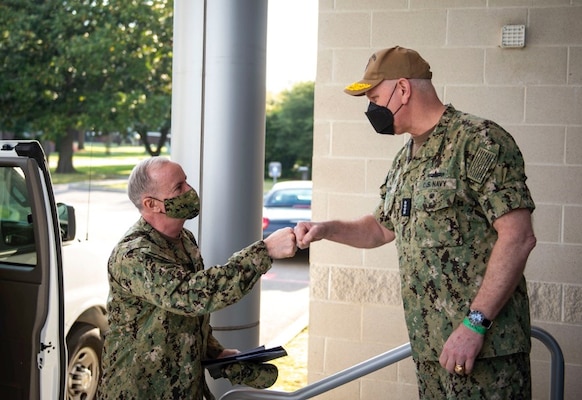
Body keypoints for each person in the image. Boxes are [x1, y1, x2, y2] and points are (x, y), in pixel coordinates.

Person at [294, 46, 537, 399]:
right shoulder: (406, 158)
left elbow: (518, 237)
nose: (371, 109)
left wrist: (474, 324)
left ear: (403, 90)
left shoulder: (478, 140)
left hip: (485, 351)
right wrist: (326, 230)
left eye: (375, 97)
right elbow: (380, 228)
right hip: (431, 349)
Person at [98, 157, 297, 400]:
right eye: (179, 187)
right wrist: (264, 251)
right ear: (152, 204)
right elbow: (193, 296)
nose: (190, 191)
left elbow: (182, 317)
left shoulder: (184, 240)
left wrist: (215, 353)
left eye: (187, 182)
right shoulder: (134, 255)